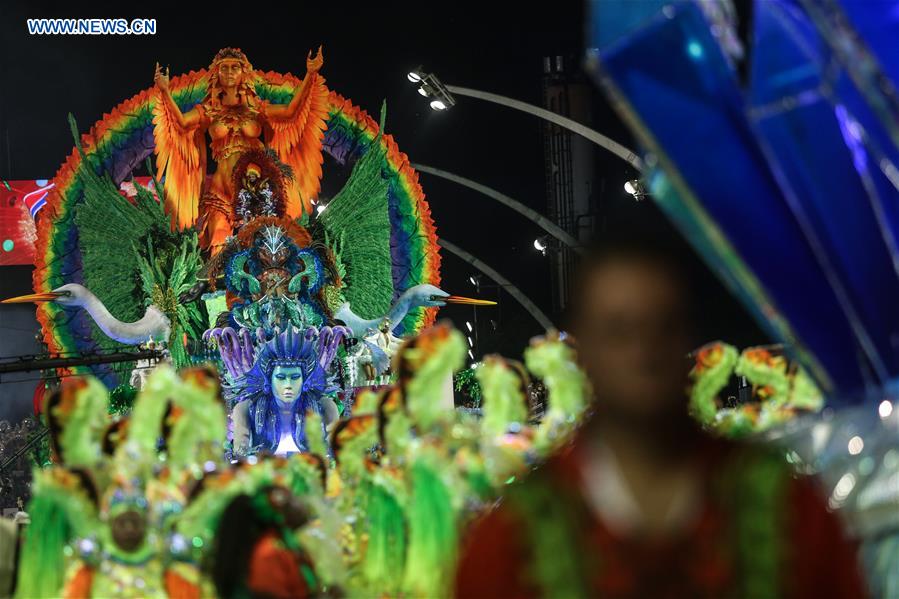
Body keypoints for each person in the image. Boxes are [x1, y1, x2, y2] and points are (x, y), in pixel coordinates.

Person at [455, 235, 866, 598]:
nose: (643, 353)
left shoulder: (787, 510)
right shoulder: (515, 534)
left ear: (689, 336)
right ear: (583, 350)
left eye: (663, 327)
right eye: (619, 331)